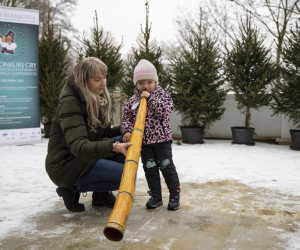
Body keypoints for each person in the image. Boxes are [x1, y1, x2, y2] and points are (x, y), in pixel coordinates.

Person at [45, 57, 132, 212]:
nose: (103, 83)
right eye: (97, 79)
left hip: (85, 158)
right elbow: (79, 146)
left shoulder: (97, 98)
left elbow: (104, 134)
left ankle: (101, 195)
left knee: (128, 143)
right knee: (125, 175)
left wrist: (127, 128)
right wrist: (115, 147)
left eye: (104, 77)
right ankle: (70, 187)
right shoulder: (70, 103)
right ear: (84, 81)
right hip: (66, 164)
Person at [121, 59, 181, 211]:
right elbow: (127, 118)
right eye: (141, 83)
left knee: (166, 167)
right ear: (136, 84)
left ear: (155, 82)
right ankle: (156, 196)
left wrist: (150, 98)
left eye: (149, 82)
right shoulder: (132, 101)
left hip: (162, 140)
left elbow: (165, 110)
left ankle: (174, 195)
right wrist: (127, 130)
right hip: (144, 142)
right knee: (150, 168)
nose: (145, 86)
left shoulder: (162, 96)